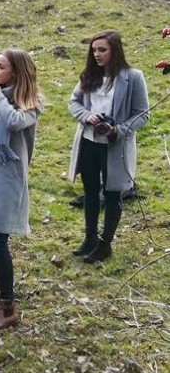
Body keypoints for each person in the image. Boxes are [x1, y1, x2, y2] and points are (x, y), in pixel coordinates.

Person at [0, 49, 43, 330]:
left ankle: (8, 306)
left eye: (1, 67)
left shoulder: (32, 101)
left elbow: (15, 122)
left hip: (10, 178)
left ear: (15, 70)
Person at [68, 30, 149, 263]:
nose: (97, 55)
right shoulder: (89, 76)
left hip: (115, 146)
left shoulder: (132, 77)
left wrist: (118, 129)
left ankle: (105, 244)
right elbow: (73, 103)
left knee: (113, 194)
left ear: (115, 50)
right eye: (94, 50)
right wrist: (87, 115)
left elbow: (142, 114)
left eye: (102, 50)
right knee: (91, 192)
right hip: (89, 142)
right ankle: (90, 238)